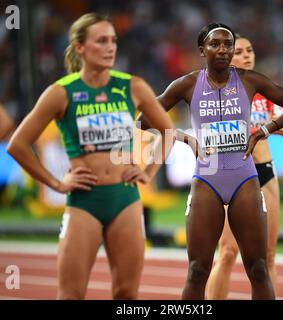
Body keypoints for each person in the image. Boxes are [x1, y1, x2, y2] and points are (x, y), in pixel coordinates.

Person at [7, 13, 174, 300]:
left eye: (113, 41)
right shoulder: (61, 92)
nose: (110, 47)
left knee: (127, 295)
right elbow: (17, 144)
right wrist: (55, 183)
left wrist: (148, 171)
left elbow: (167, 131)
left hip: (126, 201)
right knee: (70, 294)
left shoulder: (131, 87)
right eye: (101, 41)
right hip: (84, 202)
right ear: (81, 48)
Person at [138, 23, 283, 300]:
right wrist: (186, 138)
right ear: (201, 50)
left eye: (228, 44)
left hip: (244, 177)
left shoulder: (250, 80)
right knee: (197, 270)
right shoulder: (188, 84)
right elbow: (143, 120)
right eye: (215, 44)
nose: (223, 50)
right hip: (206, 179)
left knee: (259, 268)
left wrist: (262, 131)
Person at [206, 34, 283, 299]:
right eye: (239, 51)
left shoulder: (264, 90)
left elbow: (279, 121)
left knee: (268, 256)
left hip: (265, 172)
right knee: (228, 253)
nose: (247, 55)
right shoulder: (216, 91)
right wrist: (264, 128)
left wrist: (276, 124)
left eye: (250, 50)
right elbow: (213, 134)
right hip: (232, 174)